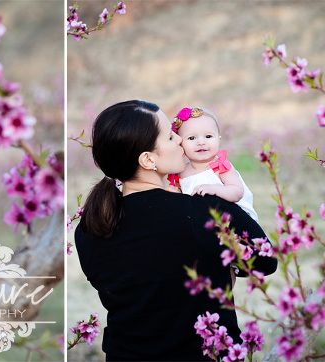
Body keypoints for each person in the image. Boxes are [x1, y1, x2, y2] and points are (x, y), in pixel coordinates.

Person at [74, 100, 277, 360]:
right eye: (171, 136)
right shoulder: (204, 211)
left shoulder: (90, 228)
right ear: (148, 159)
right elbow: (265, 260)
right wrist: (224, 268)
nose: (181, 141)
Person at [168, 106, 258, 221]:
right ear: (180, 144)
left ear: (218, 140)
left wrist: (215, 189)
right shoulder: (181, 171)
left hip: (234, 219)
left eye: (208, 136)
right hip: (201, 221)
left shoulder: (220, 165)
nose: (201, 142)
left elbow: (237, 191)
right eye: (192, 138)